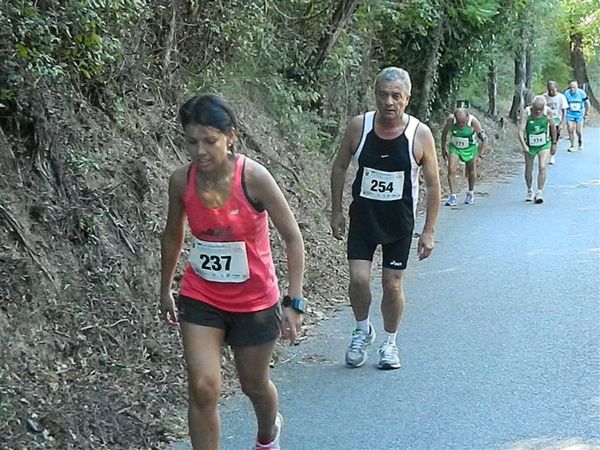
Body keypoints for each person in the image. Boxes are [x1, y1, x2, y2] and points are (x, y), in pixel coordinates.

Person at [160, 94, 305, 450]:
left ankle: (268, 433)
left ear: (230, 137)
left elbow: (292, 238)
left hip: (255, 301)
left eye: (209, 141)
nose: (200, 152)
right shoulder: (181, 181)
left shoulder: (254, 178)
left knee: (254, 385)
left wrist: (294, 301)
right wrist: (165, 288)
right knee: (203, 387)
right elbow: (172, 235)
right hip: (201, 296)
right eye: (191, 142)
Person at [330, 67, 441, 370]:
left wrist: (428, 231)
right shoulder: (359, 127)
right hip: (364, 218)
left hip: (399, 223)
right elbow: (339, 166)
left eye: (396, 96)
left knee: (392, 285)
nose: (389, 102)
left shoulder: (419, 134)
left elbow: (433, 185)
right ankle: (362, 328)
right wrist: (336, 210)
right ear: (375, 94)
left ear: (407, 98)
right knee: (358, 279)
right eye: (383, 94)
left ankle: (390, 343)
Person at [440, 108, 488, 205]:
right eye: (458, 122)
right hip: (455, 148)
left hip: (470, 148)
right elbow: (444, 135)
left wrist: (480, 155)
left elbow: (484, 139)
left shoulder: (473, 122)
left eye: (463, 122)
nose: (461, 124)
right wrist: (443, 149)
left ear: (467, 118)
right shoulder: (451, 120)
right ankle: (452, 196)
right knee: (451, 169)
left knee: (471, 171)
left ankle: (470, 192)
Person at [517, 95, 557, 204]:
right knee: (529, 168)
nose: (538, 112)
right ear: (532, 107)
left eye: (540, 109)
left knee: (542, 166)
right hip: (530, 144)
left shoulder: (547, 112)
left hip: (544, 144)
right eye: (536, 109)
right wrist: (524, 145)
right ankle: (529, 190)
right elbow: (521, 130)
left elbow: (553, 127)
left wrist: (554, 143)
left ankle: (539, 192)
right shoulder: (527, 112)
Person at [543, 81, 568, 164]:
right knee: (546, 138)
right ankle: (545, 155)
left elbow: (564, 111)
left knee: (554, 139)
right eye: (549, 90)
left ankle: (552, 156)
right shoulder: (544, 96)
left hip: (557, 120)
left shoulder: (561, 97)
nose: (551, 92)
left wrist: (562, 123)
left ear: (556, 88)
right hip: (546, 121)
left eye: (553, 90)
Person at [563, 80, 590, 152]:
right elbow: (563, 103)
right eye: (571, 87)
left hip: (579, 114)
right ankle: (572, 145)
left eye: (574, 87)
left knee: (578, 131)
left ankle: (580, 141)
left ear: (577, 87)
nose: (572, 89)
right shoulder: (566, 93)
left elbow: (587, 103)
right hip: (570, 113)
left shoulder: (581, 93)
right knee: (570, 128)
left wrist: (587, 114)